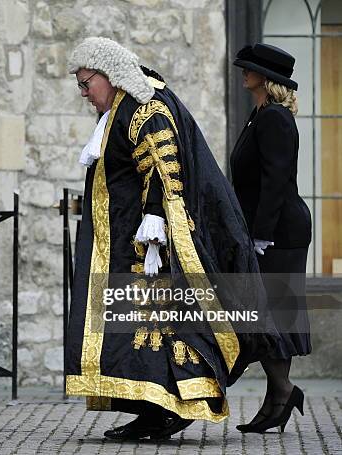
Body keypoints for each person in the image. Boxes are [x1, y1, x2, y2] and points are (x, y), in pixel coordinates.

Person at [65, 37, 279, 440]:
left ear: (107, 75)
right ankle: (153, 410)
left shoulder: (145, 109)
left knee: (161, 329)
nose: (83, 93)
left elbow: (165, 171)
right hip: (127, 244)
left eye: (85, 83)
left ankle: (172, 408)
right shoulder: (122, 108)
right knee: (132, 332)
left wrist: (154, 223)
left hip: (150, 250)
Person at [230, 43, 311, 433]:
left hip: (280, 232)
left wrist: (261, 235)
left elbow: (276, 181)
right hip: (269, 228)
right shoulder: (260, 114)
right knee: (267, 315)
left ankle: (282, 393)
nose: (243, 73)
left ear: (267, 79)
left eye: (248, 69)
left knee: (271, 315)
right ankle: (279, 397)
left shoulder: (274, 118)